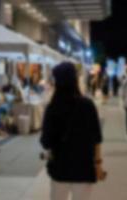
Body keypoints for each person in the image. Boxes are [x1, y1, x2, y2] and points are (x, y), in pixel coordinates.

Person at [40, 62, 106, 200]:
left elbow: (45, 142)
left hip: (60, 168)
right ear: (75, 80)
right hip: (84, 168)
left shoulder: (52, 108)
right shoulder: (88, 105)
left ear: (57, 82)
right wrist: (98, 164)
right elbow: (96, 138)